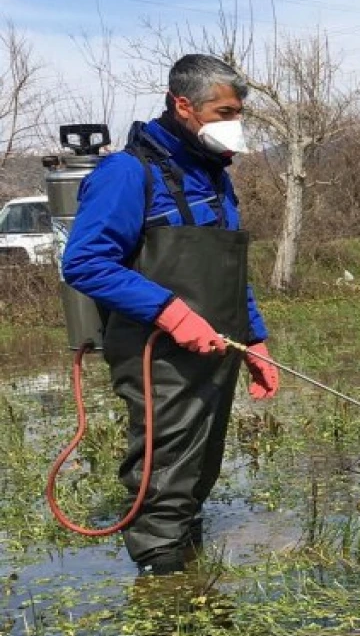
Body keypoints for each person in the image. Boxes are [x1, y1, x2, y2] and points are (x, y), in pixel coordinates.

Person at [61, 54, 279, 576]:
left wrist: (254, 339)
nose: (235, 122)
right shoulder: (127, 172)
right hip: (157, 350)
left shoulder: (214, 177)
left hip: (218, 346)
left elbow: (229, 268)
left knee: (201, 461)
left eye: (238, 111)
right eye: (224, 111)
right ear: (183, 104)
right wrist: (172, 314)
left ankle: (186, 554)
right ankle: (163, 587)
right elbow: (85, 263)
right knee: (166, 466)